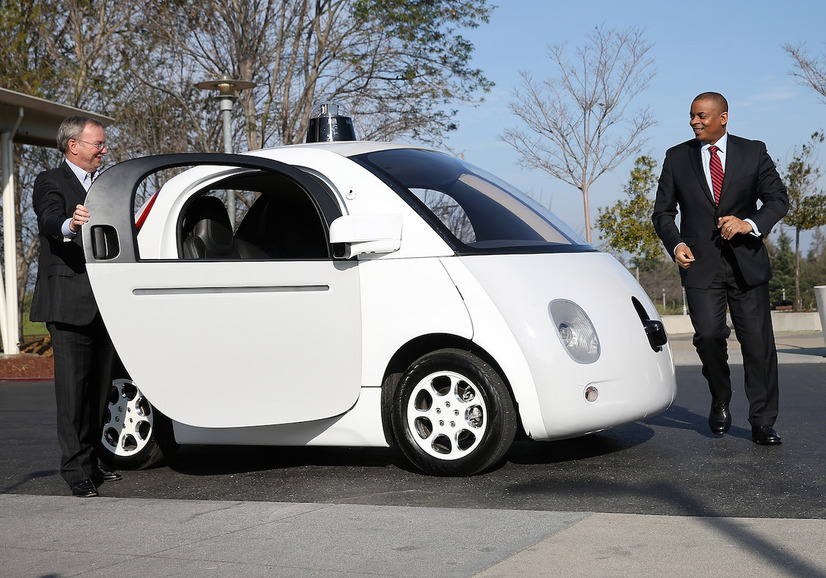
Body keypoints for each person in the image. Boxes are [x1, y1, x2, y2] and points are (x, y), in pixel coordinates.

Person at [652, 92, 788, 445]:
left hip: (748, 265)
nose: (695, 122)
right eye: (692, 116)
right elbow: (662, 213)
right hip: (699, 267)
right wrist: (676, 243)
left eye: (702, 116)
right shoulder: (676, 157)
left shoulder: (753, 151)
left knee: (758, 346)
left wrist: (749, 223)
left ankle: (762, 421)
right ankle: (720, 397)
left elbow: (777, 200)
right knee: (709, 337)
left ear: (723, 118)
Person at [31, 116, 121, 496]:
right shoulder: (50, 180)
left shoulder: (106, 184)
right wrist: (71, 223)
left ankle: (92, 458)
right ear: (74, 146)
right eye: (98, 144)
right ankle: (76, 471)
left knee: (99, 389)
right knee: (73, 392)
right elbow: (50, 220)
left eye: (103, 144)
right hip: (68, 302)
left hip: (107, 304)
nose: (104, 149)